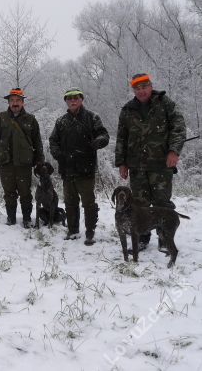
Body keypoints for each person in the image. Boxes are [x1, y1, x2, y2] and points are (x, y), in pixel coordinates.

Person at [115, 73, 186, 253]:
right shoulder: (127, 109)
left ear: (150, 86)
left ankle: (164, 238)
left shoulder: (165, 104)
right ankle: (141, 237)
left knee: (162, 203)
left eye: (144, 87)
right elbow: (121, 138)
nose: (141, 91)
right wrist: (122, 162)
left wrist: (173, 150)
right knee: (138, 204)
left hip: (161, 164)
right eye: (137, 89)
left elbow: (178, 127)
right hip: (136, 165)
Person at [49, 87, 109, 245]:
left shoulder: (91, 117)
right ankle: (73, 231)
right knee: (70, 202)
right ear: (66, 102)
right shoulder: (61, 121)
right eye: (69, 99)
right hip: (67, 169)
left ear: (81, 99)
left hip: (86, 168)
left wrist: (99, 141)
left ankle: (90, 233)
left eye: (76, 98)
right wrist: (58, 154)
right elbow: (53, 140)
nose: (73, 101)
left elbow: (104, 135)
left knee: (88, 202)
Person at [0, 88, 44, 227]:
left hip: (24, 162)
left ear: (23, 102)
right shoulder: (0, 118)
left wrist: (39, 160)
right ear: (8, 102)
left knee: (25, 192)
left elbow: (37, 141)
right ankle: (11, 218)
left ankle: (26, 219)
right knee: (9, 191)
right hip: (6, 162)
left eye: (18, 100)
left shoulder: (30, 119)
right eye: (12, 100)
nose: (15, 103)